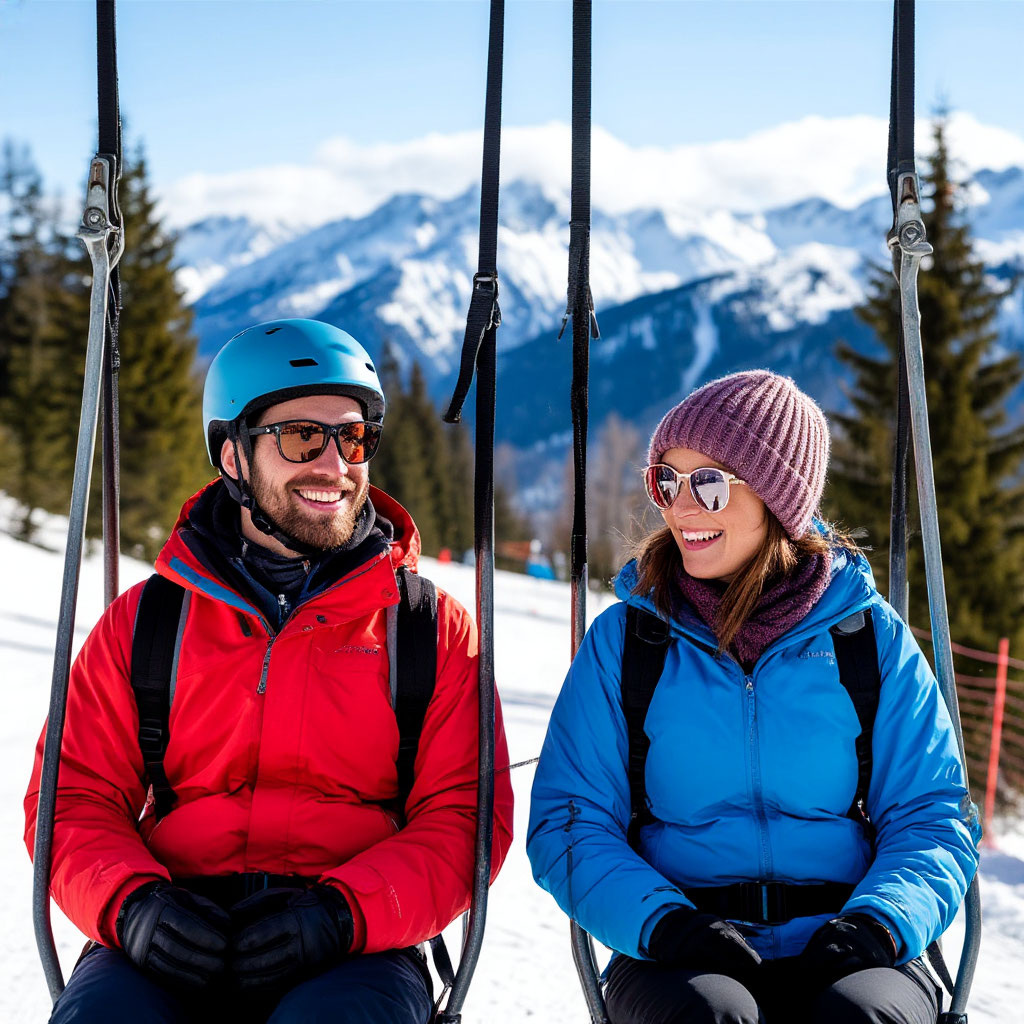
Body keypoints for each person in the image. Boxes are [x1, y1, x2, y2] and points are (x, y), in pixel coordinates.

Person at [25, 318, 514, 1024]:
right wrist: (132, 905)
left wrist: (344, 916)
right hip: (171, 922)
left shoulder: (426, 629)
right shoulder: (151, 621)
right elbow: (71, 796)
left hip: (354, 945)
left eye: (353, 438)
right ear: (232, 454)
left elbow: (465, 818)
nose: (335, 465)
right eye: (302, 437)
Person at [527, 370, 979, 1024]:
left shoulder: (866, 639)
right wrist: (666, 924)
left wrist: (878, 924)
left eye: (710, 485)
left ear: (778, 500)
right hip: (680, 946)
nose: (682, 508)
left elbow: (932, 814)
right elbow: (570, 820)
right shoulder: (630, 642)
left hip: (852, 939)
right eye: (667, 482)